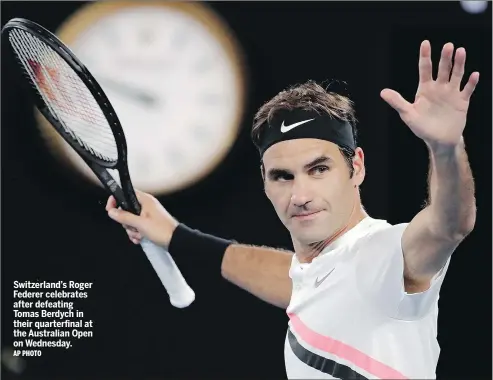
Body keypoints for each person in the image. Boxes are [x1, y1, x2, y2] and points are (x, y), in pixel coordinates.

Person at [106, 40, 478, 379]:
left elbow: (449, 226)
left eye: (318, 169)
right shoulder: (315, 272)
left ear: (357, 167)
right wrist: (175, 235)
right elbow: (294, 278)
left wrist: (445, 149)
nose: (299, 194)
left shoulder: (384, 257)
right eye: (283, 176)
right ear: (264, 181)